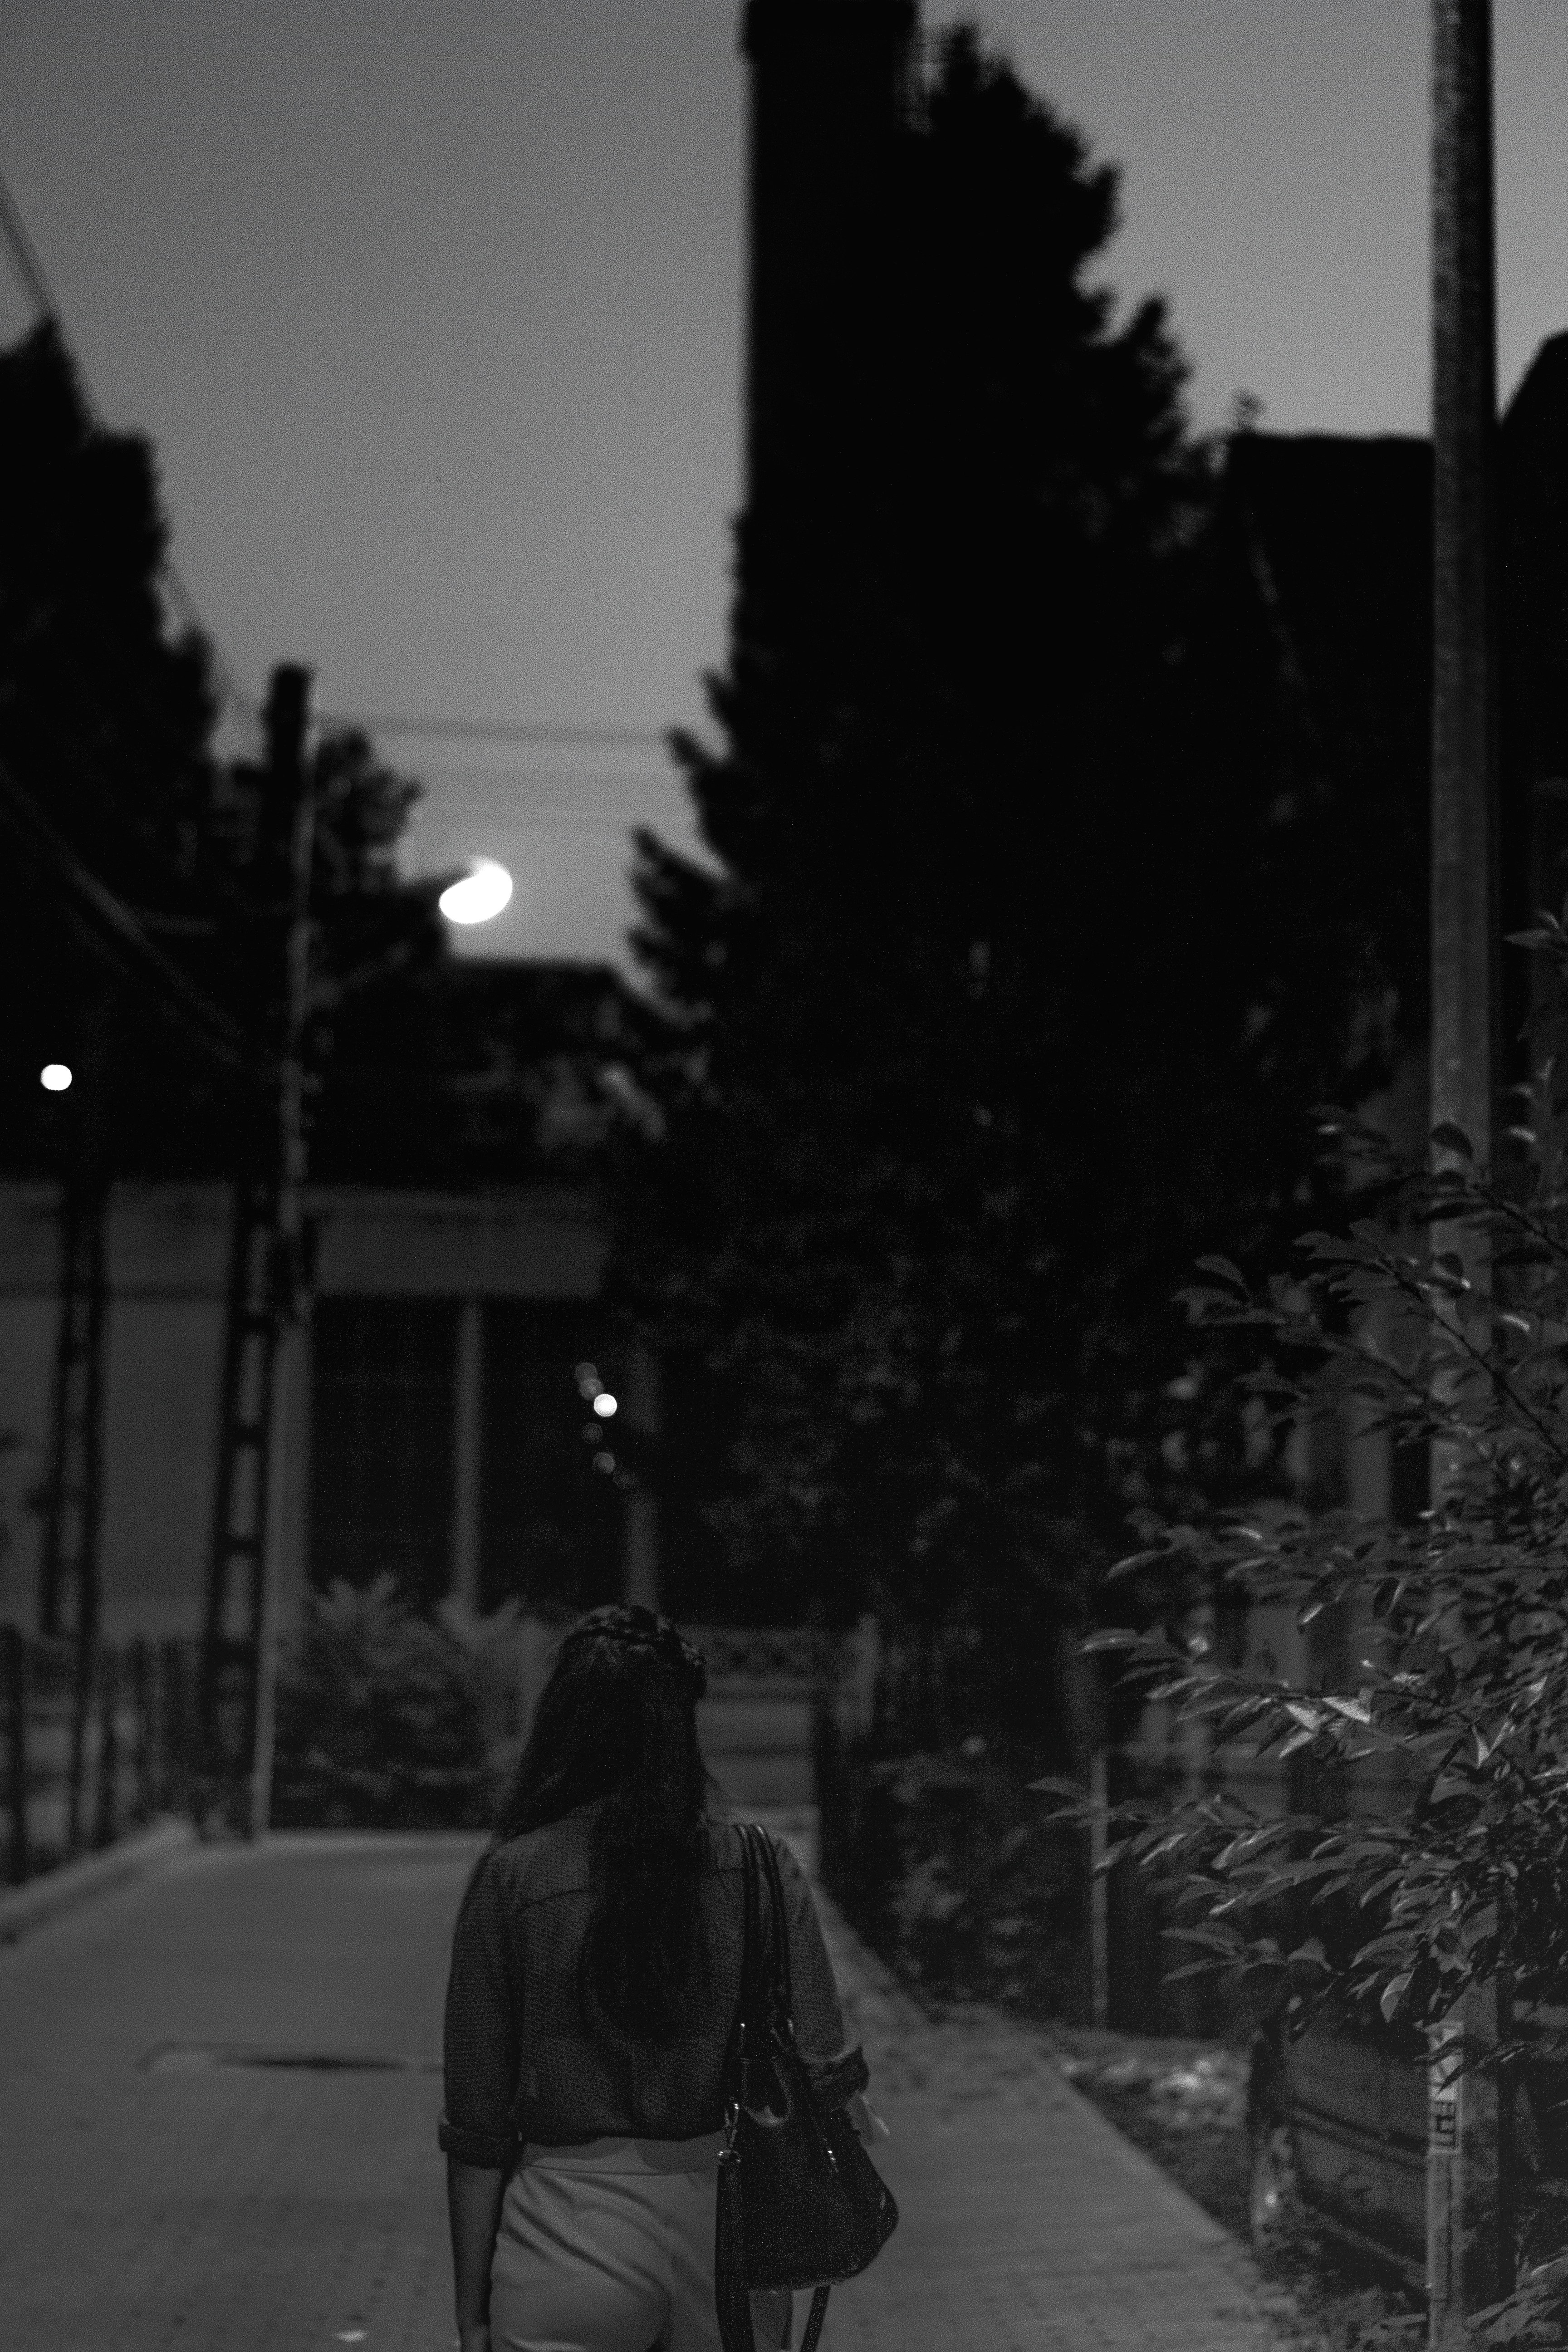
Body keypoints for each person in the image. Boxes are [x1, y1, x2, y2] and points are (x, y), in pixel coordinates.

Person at [441, 1602, 877, 2352]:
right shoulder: (759, 1868)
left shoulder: (512, 1878)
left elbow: (477, 2129)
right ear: (681, 1725)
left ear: (562, 1724)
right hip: (726, 2231)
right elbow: (826, 2071)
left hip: (564, 2232)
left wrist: (473, 2311)